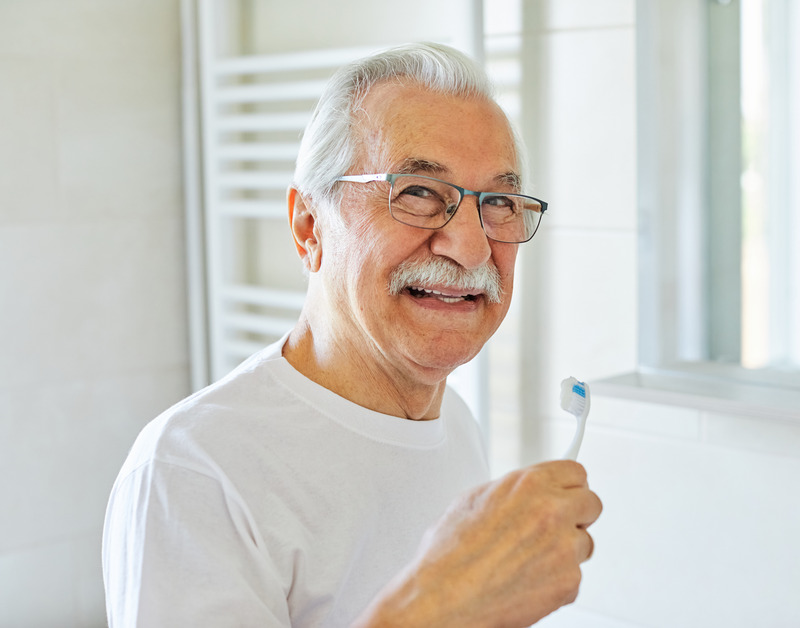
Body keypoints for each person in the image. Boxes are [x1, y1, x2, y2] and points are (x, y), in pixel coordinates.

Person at [102, 42, 602, 627]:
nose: (470, 248)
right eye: (418, 192)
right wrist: (443, 607)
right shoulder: (194, 473)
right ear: (309, 226)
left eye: (498, 202)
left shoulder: (457, 426)